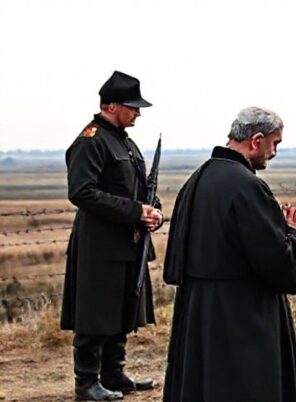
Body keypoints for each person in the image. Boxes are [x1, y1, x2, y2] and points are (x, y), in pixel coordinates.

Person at [163, 106, 296, 402]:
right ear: (256, 140)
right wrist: (292, 231)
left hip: (198, 313)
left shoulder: (197, 179)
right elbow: (279, 264)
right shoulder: (248, 186)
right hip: (241, 316)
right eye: (275, 143)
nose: (275, 152)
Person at [61, 71, 162, 401]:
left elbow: (142, 189)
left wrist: (153, 211)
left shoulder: (124, 141)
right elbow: (82, 192)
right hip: (99, 246)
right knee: (95, 313)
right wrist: (135, 212)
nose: (138, 113)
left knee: (122, 308)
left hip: (128, 243)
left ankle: (113, 374)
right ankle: (87, 383)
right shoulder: (90, 140)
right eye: (132, 107)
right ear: (111, 105)